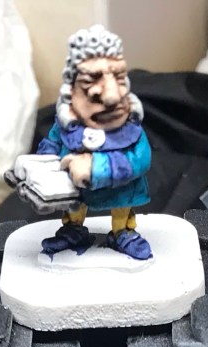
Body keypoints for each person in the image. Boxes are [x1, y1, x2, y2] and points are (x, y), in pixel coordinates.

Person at [35, 24, 153, 260]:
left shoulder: (130, 127)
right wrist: (41, 164)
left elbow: (140, 159)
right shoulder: (68, 123)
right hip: (75, 191)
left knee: (122, 208)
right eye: (92, 79)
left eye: (119, 77)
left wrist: (96, 167)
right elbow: (54, 142)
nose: (111, 95)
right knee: (74, 206)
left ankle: (122, 232)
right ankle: (73, 229)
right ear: (73, 87)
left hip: (119, 191)